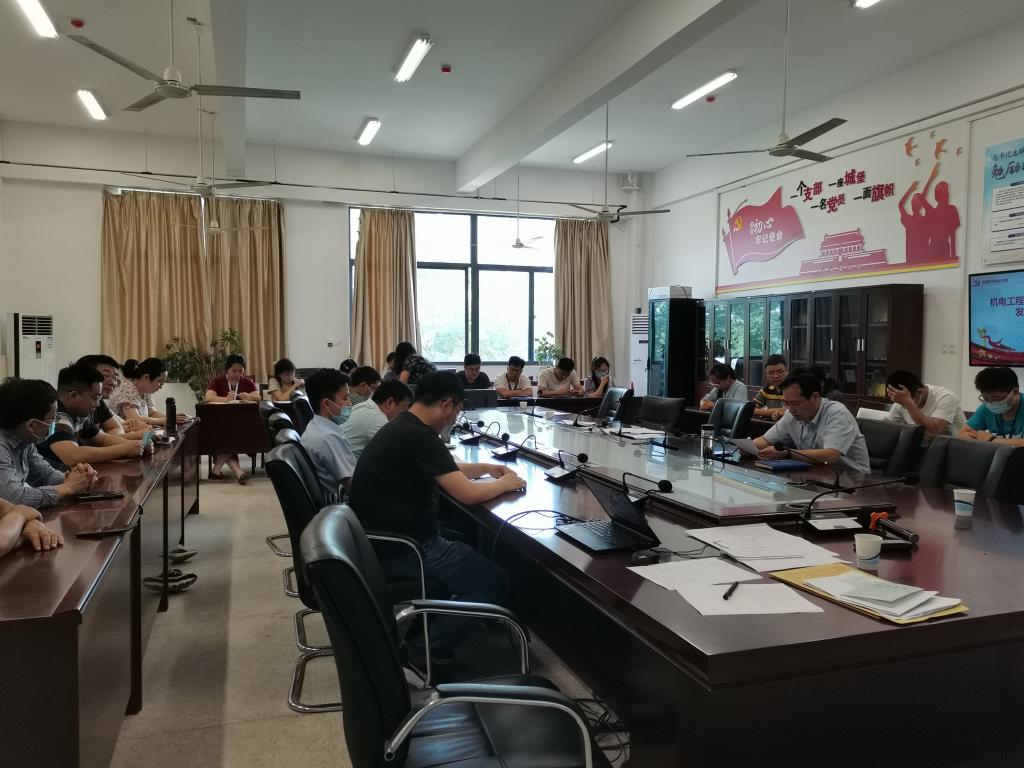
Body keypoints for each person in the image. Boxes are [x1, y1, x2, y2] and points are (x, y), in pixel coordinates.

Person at [348, 371, 525, 663]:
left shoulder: (405, 425)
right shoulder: (419, 436)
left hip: (380, 542)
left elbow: (445, 468)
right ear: (447, 404)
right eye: (457, 410)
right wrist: (505, 484)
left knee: (465, 542)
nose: (454, 418)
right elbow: (467, 494)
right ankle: (420, 653)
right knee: (493, 580)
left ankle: (434, 630)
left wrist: (487, 468)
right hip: (406, 550)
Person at [0, 377, 96, 507]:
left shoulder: (24, 439)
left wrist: (77, 478)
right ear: (32, 425)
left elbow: (44, 475)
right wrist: (67, 487)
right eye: (53, 418)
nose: (55, 424)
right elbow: (15, 499)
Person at [753, 373, 871, 475]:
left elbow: (831, 455)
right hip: (814, 474)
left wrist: (788, 453)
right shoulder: (791, 414)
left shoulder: (837, 413)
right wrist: (748, 447)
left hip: (852, 480)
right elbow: (764, 440)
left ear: (815, 397)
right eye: (787, 403)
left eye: (796, 403)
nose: (791, 409)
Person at [37, 364, 145, 469]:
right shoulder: (57, 416)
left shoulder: (79, 414)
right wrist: (125, 450)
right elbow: (73, 456)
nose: (98, 404)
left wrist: (137, 445)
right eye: (95, 398)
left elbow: (102, 440)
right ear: (73, 395)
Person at [301, 369, 357, 503]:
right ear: (327, 404)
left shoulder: (315, 426)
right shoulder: (329, 437)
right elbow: (354, 486)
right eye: (345, 398)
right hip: (339, 505)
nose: (350, 404)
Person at [205, 354, 262, 483]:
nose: (237, 374)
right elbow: (208, 397)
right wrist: (225, 399)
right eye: (234, 371)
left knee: (232, 435)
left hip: (242, 423)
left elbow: (258, 397)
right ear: (227, 369)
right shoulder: (218, 381)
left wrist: (249, 396)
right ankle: (238, 471)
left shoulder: (247, 381)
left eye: (240, 371)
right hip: (220, 423)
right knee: (231, 435)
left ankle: (216, 470)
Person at [75, 354, 150, 437]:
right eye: (105, 375)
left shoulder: (99, 402)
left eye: (115, 378)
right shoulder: (77, 408)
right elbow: (98, 441)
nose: (113, 383)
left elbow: (116, 428)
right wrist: (142, 435)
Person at [884, 370, 966, 440]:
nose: (903, 406)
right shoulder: (902, 400)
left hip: (954, 447)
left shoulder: (946, 397)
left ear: (919, 392)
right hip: (924, 446)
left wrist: (909, 403)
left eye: (904, 402)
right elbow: (885, 426)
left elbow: (932, 433)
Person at [343, 380, 413, 459]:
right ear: (389, 402)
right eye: (403, 408)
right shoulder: (377, 418)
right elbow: (397, 453)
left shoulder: (362, 406)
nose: (402, 414)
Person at [959, 366, 1024, 446]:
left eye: (996, 398)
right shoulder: (985, 408)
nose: (991, 403)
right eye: (985, 398)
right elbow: (962, 433)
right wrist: (980, 438)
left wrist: (992, 439)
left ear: (1015, 392)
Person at [108, 358, 181, 426]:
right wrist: (169, 420)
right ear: (146, 377)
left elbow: (152, 413)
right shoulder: (126, 389)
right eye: (160, 382)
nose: (161, 386)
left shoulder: (145, 392)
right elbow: (137, 420)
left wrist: (172, 417)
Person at [753, 355, 789, 420]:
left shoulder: (794, 388)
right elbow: (751, 408)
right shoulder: (767, 388)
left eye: (779, 372)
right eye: (771, 373)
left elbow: (787, 411)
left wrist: (758, 412)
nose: (776, 376)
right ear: (766, 374)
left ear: (787, 370)